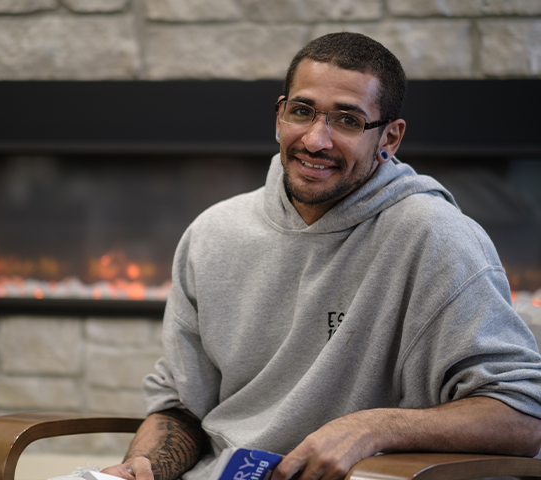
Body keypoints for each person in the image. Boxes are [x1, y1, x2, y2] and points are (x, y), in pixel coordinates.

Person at [104, 32, 541, 480]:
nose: (316, 140)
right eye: (302, 111)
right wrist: (146, 468)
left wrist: (373, 428)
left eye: (348, 120)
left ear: (390, 136)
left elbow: (524, 416)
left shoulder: (435, 237)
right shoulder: (212, 233)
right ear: (279, 116)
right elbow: (181, 406)